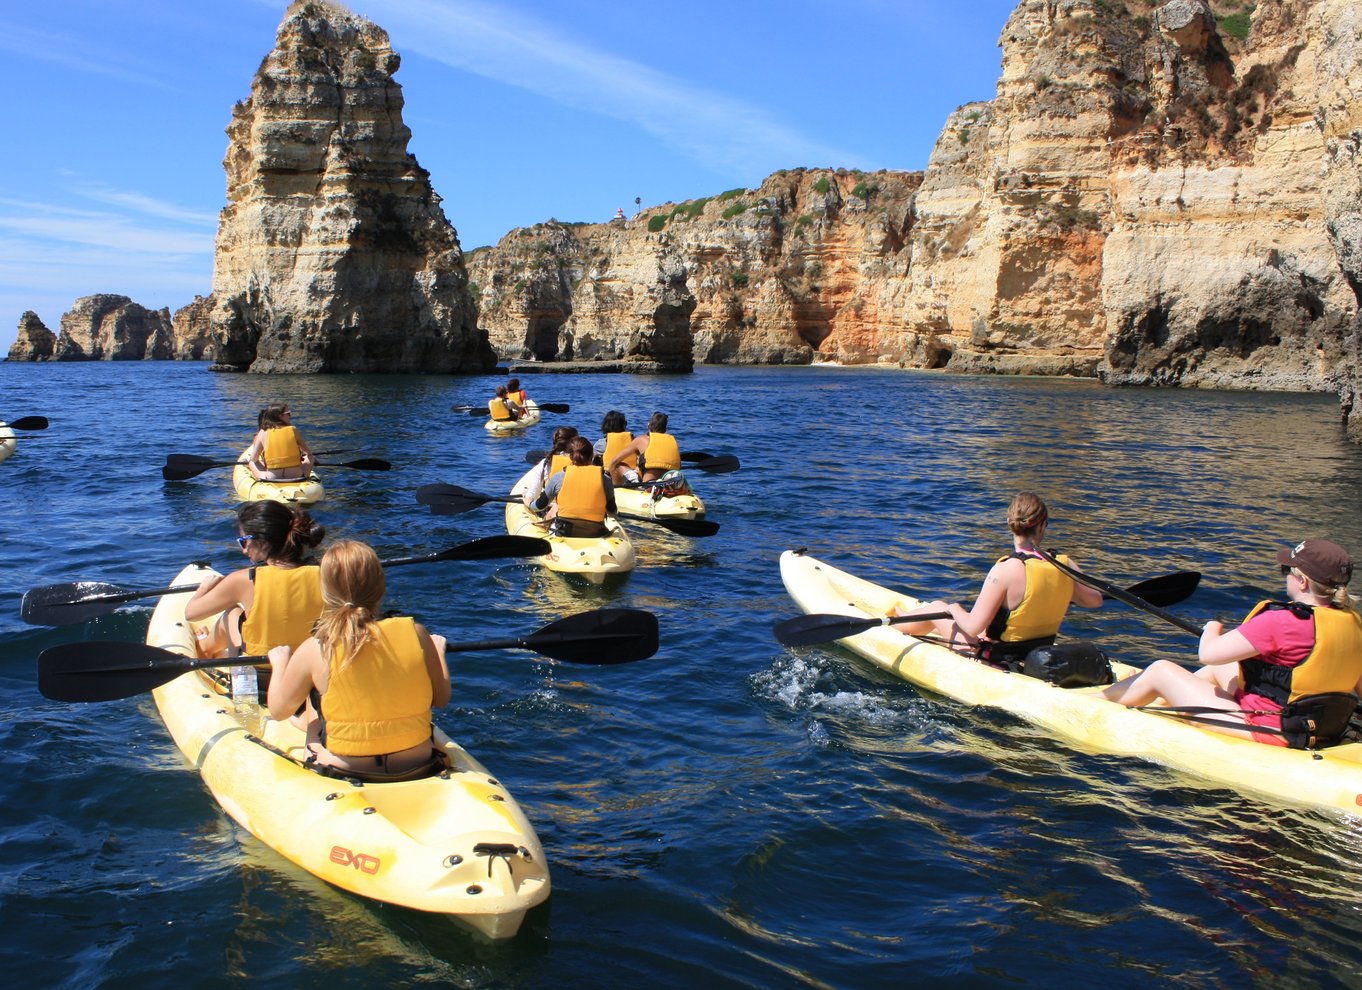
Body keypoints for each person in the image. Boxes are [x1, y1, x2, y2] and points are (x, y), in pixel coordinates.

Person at [1103, 539, 1362, 746]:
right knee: (1222, 669)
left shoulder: (1282, 620)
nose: (1285, 576)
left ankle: (1099, 703)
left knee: (1161, 669)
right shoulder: (1353, 622)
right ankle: (1159, 699)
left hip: (1269, 729)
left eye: (1287, 571)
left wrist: (1212, 628)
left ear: (1302, 581)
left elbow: (1209, 653)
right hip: (1322, 727)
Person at [266, 540, 451, 779]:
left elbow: (279, 711)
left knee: (315, 710)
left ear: (325, 591)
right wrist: (438, 654)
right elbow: (442, 698)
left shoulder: (316, 647)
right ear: (380, 585)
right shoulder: (417, 632)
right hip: (418, 762)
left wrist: (280, 663)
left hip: (343, 768)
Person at [892, 492, 1104, 663]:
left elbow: (973, 627)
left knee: (939, 607)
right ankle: (903, 616)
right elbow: (1095, 601)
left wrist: (953, 608)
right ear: (1042, 525)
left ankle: (894, 625)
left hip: (996, 657)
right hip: (1038, 653)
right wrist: (1060, 591)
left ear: (1009, 523)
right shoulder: (1064, 564)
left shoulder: (1005, 570)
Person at [185, 501, 327, 658]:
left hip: (256, 673)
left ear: (262, 541)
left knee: (232, 613)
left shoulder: (242, 580)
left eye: (244, 541)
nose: (244, 549)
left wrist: (204, 588)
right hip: (305, 669)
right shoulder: (324, 574)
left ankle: (205, 648)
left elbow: (191, 614)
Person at [534, 435, 616, 538]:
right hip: (596, 533)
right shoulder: (605, 479)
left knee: (552, 510)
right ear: (592, 456)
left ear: (570, 457)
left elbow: (539, 506)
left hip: (566, 532)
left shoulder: (559, 477)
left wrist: (528, 502)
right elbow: (612, 512)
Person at [246, 402, 316, 481]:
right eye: (288, 413)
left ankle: (264, 476)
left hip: (273, 477)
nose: (290, 416)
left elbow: (254, 458)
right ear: (280, 416)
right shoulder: (293, 429)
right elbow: (308, 453)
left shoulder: (263, 432)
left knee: (251, 461)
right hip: (295, 476)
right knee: (311, 457)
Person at [608, 411, 682, 483]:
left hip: (648, 483)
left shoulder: (641, 440)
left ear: (648, 425)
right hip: (671, 482)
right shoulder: (673, 441)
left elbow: (615, 460)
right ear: (665, 429)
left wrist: (609, 470)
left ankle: (616, 490)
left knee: (617, 465)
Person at [523, 425, 578, 507]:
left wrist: (526, 497)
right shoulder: (582, 463)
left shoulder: (545, 463)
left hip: (550, 506)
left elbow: (534, 492)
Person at [595, 410, 640, 485]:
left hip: (611, 479)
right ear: (624, 425)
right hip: (632, 474)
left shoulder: (601, 444)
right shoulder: (634, 442)